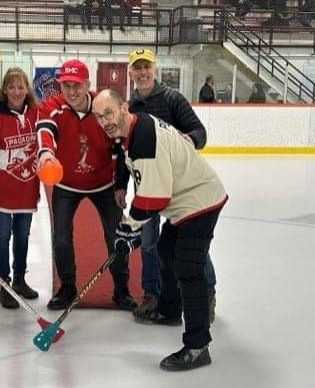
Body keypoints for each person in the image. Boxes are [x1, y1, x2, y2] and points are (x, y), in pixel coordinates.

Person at [92, 88, 228, 371]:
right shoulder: (134, 128)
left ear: (123, 108)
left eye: (108, 113)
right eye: (98, 117)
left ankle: (197, 346)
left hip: (200, 201)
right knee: (166, 251)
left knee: (188, 269)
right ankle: (169, 310)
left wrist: (128, 230)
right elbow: (150, 190)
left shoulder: (143, 139)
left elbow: (154, 198)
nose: (104, 121)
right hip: (184, 203)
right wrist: (129, 231)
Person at [118, 48, 218, 324]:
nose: (142, 72)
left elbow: (200, 132)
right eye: (136, 68)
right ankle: (154, 294)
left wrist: (187, 139)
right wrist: (120, 185)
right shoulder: (129, 107)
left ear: (155, 69)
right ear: (130, 73)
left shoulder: (173, 99)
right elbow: (124, 152)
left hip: (180, 192)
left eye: (146, 67)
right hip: (149, 187)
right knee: (150, 244)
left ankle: (207, 294)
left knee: (190, 246)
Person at [36, 59, 136, 312]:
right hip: (67, 184)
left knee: (116, 237)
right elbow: (45, 130)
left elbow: (120, 145)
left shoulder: (102, 106)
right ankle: (67, 288)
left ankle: (121, 289)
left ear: (87, 84)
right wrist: (46, 153)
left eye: (77, 85)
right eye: (66, 85)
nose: (71, 91)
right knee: (61, 238)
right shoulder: (53, 105)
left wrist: (120, 184)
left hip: (103, 184)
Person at [0, 67, 40, 309]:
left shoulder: (36, 113)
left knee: (22, 236)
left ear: (27, 89)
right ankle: (5, 285)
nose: (16, 91)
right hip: (2, 190)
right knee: (3, 237)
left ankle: (20, 279)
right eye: (11, 87)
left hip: (26, 188)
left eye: (20, 86)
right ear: (4, 90)